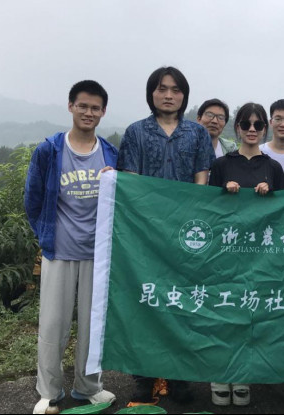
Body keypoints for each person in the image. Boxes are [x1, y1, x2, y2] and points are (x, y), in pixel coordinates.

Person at [118, 66, 215, 406]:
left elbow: (202, 177)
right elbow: (129, 182)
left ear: (184, 95)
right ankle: (143, 379)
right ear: (152, 93)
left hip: (186, 234)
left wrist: (193, 218)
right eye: (162, 89)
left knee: (184, 304)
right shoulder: (136, 132)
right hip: (145, 234)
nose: (169, 94)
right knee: (145, 304)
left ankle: (180, 378)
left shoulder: (197, 133)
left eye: (175, 89)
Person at [25, 80, 117, 415]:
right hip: (59, 252)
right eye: (83, 106)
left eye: (95, 108)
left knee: (94, 325)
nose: (89, 112)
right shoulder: (50, 150)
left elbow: (120, 202)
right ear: (70, 106)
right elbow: (32, 200)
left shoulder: (110, 154)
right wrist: (46, 235)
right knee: (53, 325)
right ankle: (49, 391)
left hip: (97, 254)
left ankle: (88, 387)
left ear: (103, 112)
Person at [207, 103, 284, 407]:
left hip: (261, 255)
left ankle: (242, 376)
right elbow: (206, 207)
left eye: (258, 124)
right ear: (236, 128)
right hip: (225, 253)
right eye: (246, 124)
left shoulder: (273, 167)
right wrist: (223, 192)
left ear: (264, 129)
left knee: (251, 315)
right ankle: (219, 375)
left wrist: (273, 193)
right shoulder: (221, 165)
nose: (252, 129)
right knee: (224, 312)